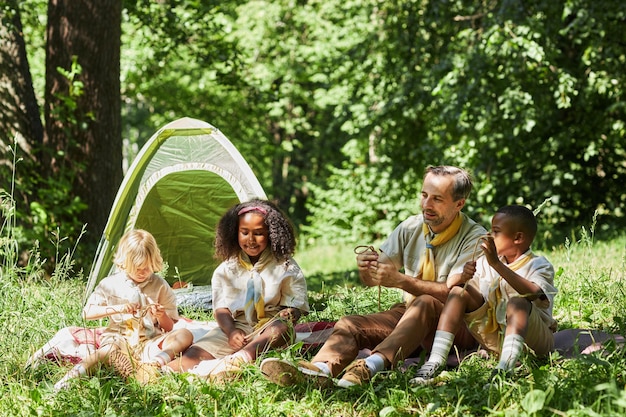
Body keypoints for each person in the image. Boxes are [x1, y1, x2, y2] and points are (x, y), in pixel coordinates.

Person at [260, 165, 487, 388]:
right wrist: (367, 269)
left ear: (459, 204)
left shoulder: (475, 237)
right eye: (424, 195)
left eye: (437, 199)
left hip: (457, 325)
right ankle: (319, 370)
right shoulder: (412, 226)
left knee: (425, 301)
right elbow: (373, 279)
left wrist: (400, 280)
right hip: (412, 314)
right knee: (350, 324)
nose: (426, 205)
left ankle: (368, 367)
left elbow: (457, 294)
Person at [410, 205, 557, 386]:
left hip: (534, 343)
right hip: (494, 340)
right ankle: (435, 361)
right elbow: (451, 285)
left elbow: (535, 293)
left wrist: (497, 265)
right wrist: (463, 276)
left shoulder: (538, 264)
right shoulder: (487, 261)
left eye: (495, 232)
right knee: (459, 291)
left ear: (518, 238)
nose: (488, 235)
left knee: (518, 302)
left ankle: (504, 370)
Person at [166, 199, 309, 381]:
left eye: (258, 233)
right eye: (244, 233)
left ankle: (240, 359)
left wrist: (291, 313)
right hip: (237, 326)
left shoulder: (285, 266)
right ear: (235, 233)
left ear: (272, 234)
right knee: (198, 350)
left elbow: (295, 304)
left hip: (270, 326)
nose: (251, 239)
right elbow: (221, 309)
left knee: (281, 329)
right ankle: (164, 370)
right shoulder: (226, 270)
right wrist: (231, 331)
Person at [54, 229, 193, 390]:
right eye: (137, 268)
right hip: (119, 339)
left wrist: (161, 316)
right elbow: (87, 313)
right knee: (107, 350)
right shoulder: (111, 284)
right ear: (125, 262)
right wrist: (117, 309)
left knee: (185, 334)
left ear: (154, 263)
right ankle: (72, 377)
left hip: (150, 342)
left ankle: (154, 367)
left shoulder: (160, 285)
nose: (142, 272)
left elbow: (169, 327)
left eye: (146, 268)